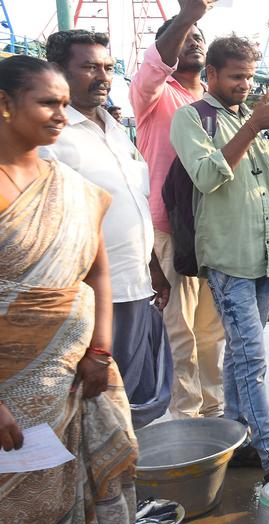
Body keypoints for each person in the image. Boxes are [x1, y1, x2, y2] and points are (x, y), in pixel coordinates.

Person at [0, 55, 139, 524]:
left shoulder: (70, 185)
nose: (61, 114)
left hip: (79, 376)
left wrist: (99, 352)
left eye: (64, 103)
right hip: (12, 392)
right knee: (22, 511)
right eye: (48, 103)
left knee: (91, 486)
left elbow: (98, 271)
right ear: (5, 104)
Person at [170, 36, 269, 482]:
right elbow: (209, 175)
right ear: (211, 74)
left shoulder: (253, 120)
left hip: (265, 255)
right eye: (235, 77)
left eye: (249, 77)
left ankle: (236, 436)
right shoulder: (193, 118)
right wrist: (253, 125)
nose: (244, 85)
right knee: (251, 355)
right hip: (228, 256)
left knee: (240, 355)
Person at [43, 30, 173, 428]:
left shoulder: (114, 130)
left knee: (130, 399)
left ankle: (126, 485)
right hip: (88, 297)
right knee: (92, 404)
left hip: (134, 285)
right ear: (57, 71)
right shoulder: (53, 138)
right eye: (88, 67)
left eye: (108, 68)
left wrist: (152, 265)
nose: (102, 76)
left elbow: (130, 202)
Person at [131, 0, 225, 421]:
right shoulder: (153, 94)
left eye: (198, 38)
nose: (193, 42)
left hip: (212, 231)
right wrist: (189, 16)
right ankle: (186, 419)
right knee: (179, 330)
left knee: (211, 331)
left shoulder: (215, 101)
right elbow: (155, 65)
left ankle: (214, 410)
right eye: (184, 39)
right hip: (169, 228)